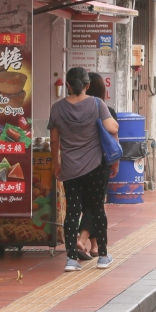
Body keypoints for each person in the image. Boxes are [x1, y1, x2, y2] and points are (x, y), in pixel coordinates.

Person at [48, 67, 119, 272]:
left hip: (70, 168)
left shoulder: (57, 108)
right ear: (87, 85)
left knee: (72, 211)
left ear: (68, 85)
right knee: (97, 209)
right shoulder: (97, 104)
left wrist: (56, 164)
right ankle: (103, 256)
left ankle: (71, 259)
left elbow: (54, 140)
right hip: (95, 166)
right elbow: (113, 128)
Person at [76, 72, 117, 259]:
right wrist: (115, 162)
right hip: (101, 163)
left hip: (80, 162)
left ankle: (95, 247)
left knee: (88, 203)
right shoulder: (107, 111)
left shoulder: (76, 110)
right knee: (96, 204)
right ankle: (82, 239)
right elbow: (114, 137)